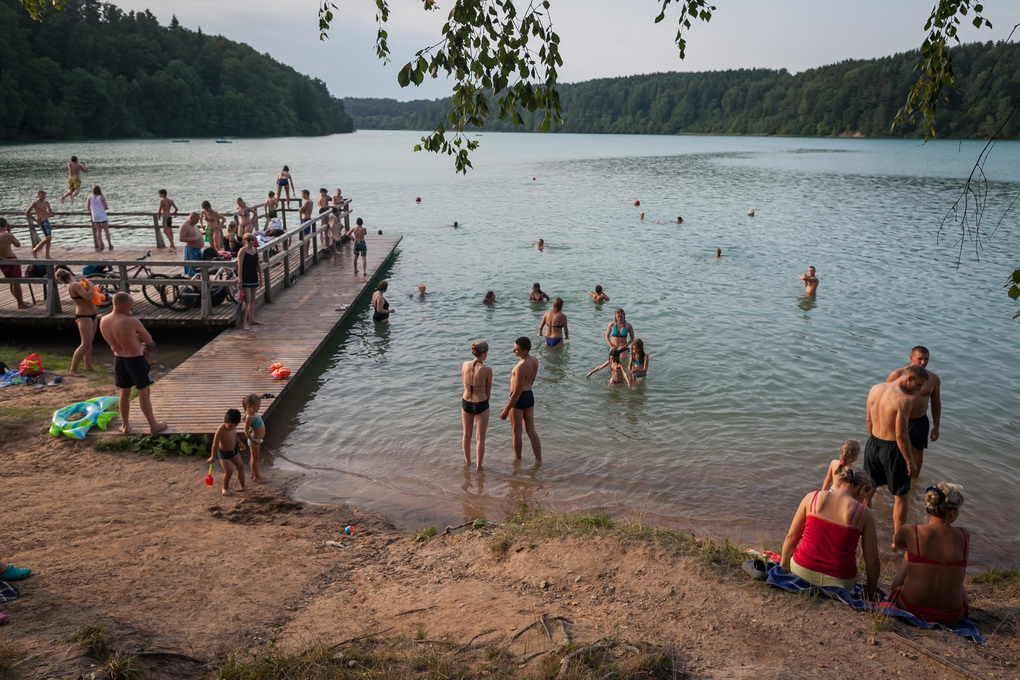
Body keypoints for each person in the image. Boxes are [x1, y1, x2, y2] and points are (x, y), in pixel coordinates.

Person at [781, 466, 880, 599]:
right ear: (863, 489)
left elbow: (791, 537)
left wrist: (784, 566)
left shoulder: (812, 497)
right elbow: (872, 560)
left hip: (801, 570)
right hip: (841, 581)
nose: (863, 500)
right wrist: (871, 591)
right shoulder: (863, 513)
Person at [889, 482, 970, 625]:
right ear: (952, 513)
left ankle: (896, 590)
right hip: (952, 615)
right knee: (953, 567)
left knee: (910, 554)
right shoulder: (964, 535)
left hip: (911, 607)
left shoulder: (911, 531)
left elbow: (897, 541)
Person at [864, 364, 929, 538]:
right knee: (901, 496)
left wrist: (875, 440)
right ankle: (897, 540)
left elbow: (868, 420)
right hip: (893, 449)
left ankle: (863, 530)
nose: (919, 390)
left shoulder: (875, 389)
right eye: (918, 385)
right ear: (909, 378)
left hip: (873, 444)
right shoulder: (904, 400)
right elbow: (901, 435)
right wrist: (910, 462)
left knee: (868, 489)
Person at [99, 292, 167, 434]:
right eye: (130, 306)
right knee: (144, 391)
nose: (131, 309)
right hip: (135, 360)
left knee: (124, 392)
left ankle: (125, 425)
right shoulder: (131, 321)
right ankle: (153, 425)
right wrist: (142, 345)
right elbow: (149, 341)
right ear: (122, 305)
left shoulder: (103, 320)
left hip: (119, 360)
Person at [886, 346, 941, 478]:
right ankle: (891, 479)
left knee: (917, 452)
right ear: (911, 358)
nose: (923, 362)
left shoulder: (933, 379)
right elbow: (885, 398)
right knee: (893, 451)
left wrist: (936, 427)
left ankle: (913, 482)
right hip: (898, 419)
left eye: (926, 359)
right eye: (920, 359)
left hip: (919, 420)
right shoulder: (897, 375)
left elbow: (935, 403)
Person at [499, 336, 542, 462]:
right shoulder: (534, 360)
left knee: (516, 431)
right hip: (529, 395)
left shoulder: (520, 367)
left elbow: (517, 392)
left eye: (516, 350)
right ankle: (539, 459)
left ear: (525, 351)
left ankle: (517, 460)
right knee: (531, 430)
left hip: (518, 399)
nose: (514, 351)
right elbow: (532, 379)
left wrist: (506, 410)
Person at [55, 269, 98, 377]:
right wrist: (92, 286)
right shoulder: (74, 285)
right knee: (85, 343)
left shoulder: (75, 284)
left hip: (92, 315)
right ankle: (73, 369)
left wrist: (88, 286)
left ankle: (87, 365)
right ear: (69, 274)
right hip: (84, 316)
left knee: (89, 342)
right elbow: (88, 297)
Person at [461, 341, 493, 471]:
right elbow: (488, 391)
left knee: (466, 434)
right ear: (484, 353)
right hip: (481, 402)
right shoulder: (487, 370)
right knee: (480, 438)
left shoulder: (464, 365)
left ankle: (468, 462)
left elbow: (464, 382)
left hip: (466, 401)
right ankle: (479, 467)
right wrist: (485, 402)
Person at [207, 409, 246, 496]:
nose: (232, 427)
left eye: (235, 426)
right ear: (225, 421)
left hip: (233, 451)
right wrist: (213, 456)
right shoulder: (221, 429)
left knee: (240, 467)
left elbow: (234, 436)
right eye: (230, 426)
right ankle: (225, 487)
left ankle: (243, 486)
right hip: (224, 453)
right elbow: (215, 443)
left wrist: (240, 443)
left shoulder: (233, 427)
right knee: (229, 471)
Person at [0, 218, 31, 309]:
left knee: (11, 282)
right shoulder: (8, 235)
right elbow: (17, 244)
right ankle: (20, 303)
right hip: (11, 259)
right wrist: (9, 232)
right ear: (6, 226)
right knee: (16, 282)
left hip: (2, 261)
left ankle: (20, 301)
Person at [238, 234, 262, 330]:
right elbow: (240, 266)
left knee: (252, 300)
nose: (251, 242)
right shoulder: (242, 251)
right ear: (244, 240)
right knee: (246, 301)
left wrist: (261, 278)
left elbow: (258, 265)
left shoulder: (256, 250)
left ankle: (252, 319)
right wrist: (240, 279)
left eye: (253, 240)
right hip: (246, 276)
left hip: (254, 276)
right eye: (249, 240)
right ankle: (244, 322)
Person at [242, 393, 267, 484]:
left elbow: (243, 418)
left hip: (256, 440)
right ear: (249, 406)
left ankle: (254, 474)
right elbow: (246, 431)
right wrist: (254, 440)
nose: (258, 408)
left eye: (259, 406)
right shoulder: (250, 417)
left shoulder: (251, 414)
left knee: (254, 458)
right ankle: (256, 476)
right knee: (255, 459)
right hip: (254, 440)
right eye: (256, 406)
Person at [25, 190, 55, 259]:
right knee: (48, 238)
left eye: (44, 195)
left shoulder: (46, 203)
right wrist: (35, 220)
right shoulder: (35, 203)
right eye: (41, 195)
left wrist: (46, 216)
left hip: (46, 221)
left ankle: (47, 255)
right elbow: (27, 212)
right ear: (38, 195)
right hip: (41, 222)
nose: (43, 197)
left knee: (49, 239)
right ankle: (35, 250)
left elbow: (52, 213)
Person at [87, 185, 113, 251]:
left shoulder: (89, 197)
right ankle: (109, 244)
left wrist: (92, 209)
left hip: (95, 215)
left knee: (98, 230)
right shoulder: (101, 197)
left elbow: (88, 207)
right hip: (102, 215)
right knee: (106, 230)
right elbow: (106, 207)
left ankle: (100, 244)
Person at [178, 212, 204, 276]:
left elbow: (197, 234)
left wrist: (204, 233)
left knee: (199, 268)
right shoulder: (184, 226)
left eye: (198, 220)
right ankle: (191, 283)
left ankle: (197, 284)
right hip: (191, 249)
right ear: (191, 218)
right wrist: (195, 239)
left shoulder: (194, 225)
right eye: (196, 220)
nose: (197, 222)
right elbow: (181, 238)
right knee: (192, 270)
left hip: (198, 250)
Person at [298, 189, 313, 258]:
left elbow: (301, 210)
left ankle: (306, 253)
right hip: (307, 218)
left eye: (303, 194)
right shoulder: (311, 202)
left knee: (305, 236)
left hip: (305, 219)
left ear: (306, 194)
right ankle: (306, 252)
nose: (302, 196)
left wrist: (299, 208)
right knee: (306, 236)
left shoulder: (307, 202)